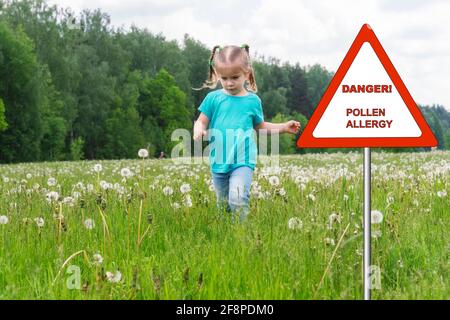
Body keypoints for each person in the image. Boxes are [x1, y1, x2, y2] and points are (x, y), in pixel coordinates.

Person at [193, 44, 300, 222]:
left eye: (235, 77)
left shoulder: (252, 101)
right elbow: (201, 120)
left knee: (238, 198)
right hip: (219, 159)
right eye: (224, 78)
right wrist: (199, 129)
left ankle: (241, 232)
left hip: (243, 160)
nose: (229, 83)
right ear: (217, 75)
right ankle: (226, 234)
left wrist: (282, 127)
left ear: (247, 74)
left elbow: (260, 126)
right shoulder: (213, 98)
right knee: (224, 203)